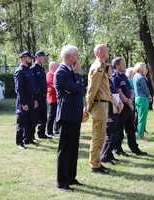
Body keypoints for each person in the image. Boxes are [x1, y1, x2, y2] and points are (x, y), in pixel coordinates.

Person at [54, 45, 86, 192]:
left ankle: (71, 178)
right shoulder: (61, 72)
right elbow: (77, 88)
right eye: (76, 55)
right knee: (65, 149)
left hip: (74, 114)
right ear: (69, 57)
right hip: (66, 115)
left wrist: (76, 84)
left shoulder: (70, 72)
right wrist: (77, 75)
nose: (78, 58)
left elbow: (81, 90)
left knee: (73, 149)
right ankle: (62, 182)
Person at [111, 57, 147, 156]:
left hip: (128, 105)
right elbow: (118, 92)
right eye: (122, 64)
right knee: (119, 130)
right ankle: (118, 149)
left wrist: (130, 99)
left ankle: (134, 148)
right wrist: (128, 102)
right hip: (120, 106)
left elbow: (131, 89)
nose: (125, 66)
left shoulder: (124, 76)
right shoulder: (115, 77)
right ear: (117, 66)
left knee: (131, 128)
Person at [86, 44, 112, 175]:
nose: (109, 52)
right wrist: (88, 106)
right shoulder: (98, 67)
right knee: (98, 136)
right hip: (99, 105)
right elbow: (92, 88)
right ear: (100, 52)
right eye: (106, 50)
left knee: (101, 136)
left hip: (103, 104)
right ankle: (94, 165)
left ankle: (97, 163)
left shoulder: (102, 66)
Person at [14, 51, 38, 149]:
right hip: (24, 100)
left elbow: (33, 87)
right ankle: (19, 142)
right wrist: (23, 103)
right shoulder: (20, 71)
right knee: (22, 122)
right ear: (24, 58)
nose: (31, 60)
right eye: (29, 58)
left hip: (31, 99)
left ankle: (28, 139)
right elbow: (19, 89)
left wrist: (35, 99)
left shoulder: (29, 70)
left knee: (30, 121)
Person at [100, 64, 123, 165]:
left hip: (115, 108)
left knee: (115, 132)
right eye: (110, 69)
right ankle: (104, 156)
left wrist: (120, 103)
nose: (112, 70)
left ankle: (109, 154)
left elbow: (115, 94)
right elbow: (109, 96)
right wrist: (118, 104)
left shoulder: (110, 81)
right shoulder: (105, 82)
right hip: (109, 109)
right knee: (110, 133)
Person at [30, 50, 52, 140]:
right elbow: (32, 84)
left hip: (43, 96)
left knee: (43, 116)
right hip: (37, 96)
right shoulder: (33, 69)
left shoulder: (41, 68)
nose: (44, 58)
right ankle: (31, 135)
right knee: (35, 117)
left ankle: (42, 134)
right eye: (43, 57)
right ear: (37, 57)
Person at [133, 62, 152, 141]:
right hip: (143, 98)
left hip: (137, 97)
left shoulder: (135, 76)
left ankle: (139, 133)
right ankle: (141, 135)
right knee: (142, 118)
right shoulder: (141, 77)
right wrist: (149, 95)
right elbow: (145, 89)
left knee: (140, 117)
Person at [46, 61, 59, 137]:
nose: (58, 66)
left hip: (58, 98)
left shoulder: (56, 74)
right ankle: (49, 131)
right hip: (52, 98)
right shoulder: (49, 74)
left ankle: (57, 129)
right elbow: (52, 84)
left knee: (58, 114)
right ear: (51, 67)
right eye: (56, 65)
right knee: (52, 115)